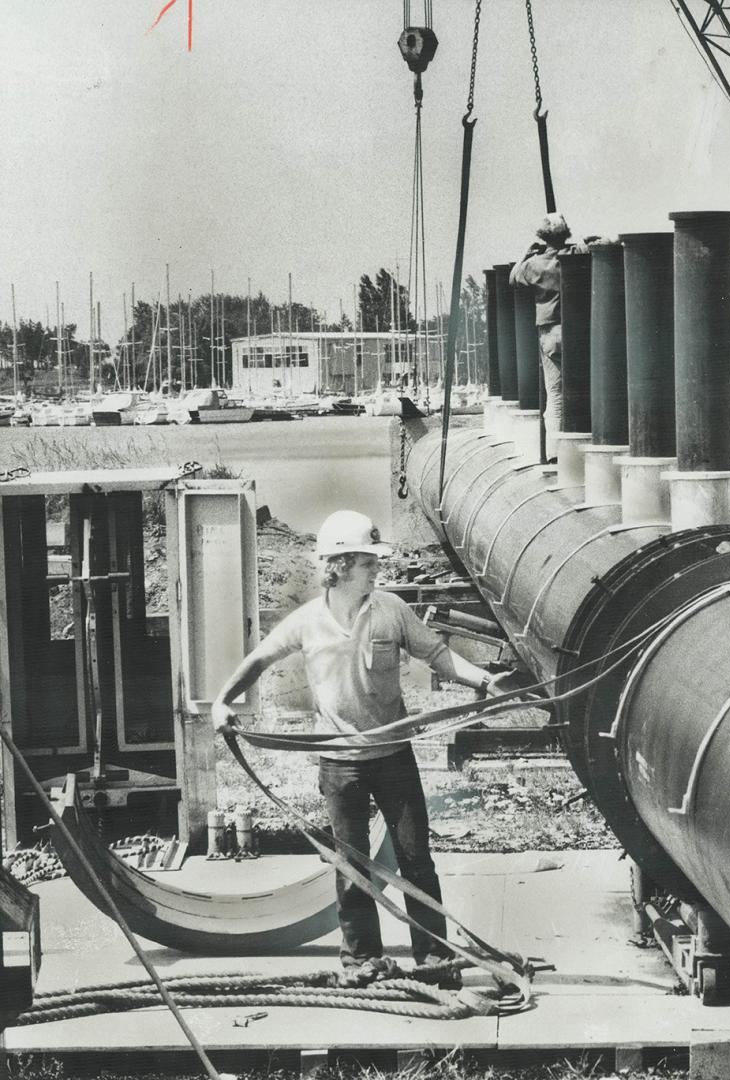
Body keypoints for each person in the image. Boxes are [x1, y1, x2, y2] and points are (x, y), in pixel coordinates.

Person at [210, 510, 506, 988]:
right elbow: (261, 658)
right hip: (340, 767)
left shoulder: (390, 610)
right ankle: (362, 962)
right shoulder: (307, 623)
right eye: (369, 561)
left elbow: (437, 654)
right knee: (351, 868)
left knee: (416, 859)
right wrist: (224, 702)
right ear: (341, 564)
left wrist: (484, 679)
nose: (377, 569)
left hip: (393, 757)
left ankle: (434, 961)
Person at [510, 213, 573, 456]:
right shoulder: (572, 256)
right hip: (575, 332)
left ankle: (556, 453)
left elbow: (513, 277)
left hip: (549, 333)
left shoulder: (534, 265)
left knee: (555, 396)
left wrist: (527, 254)